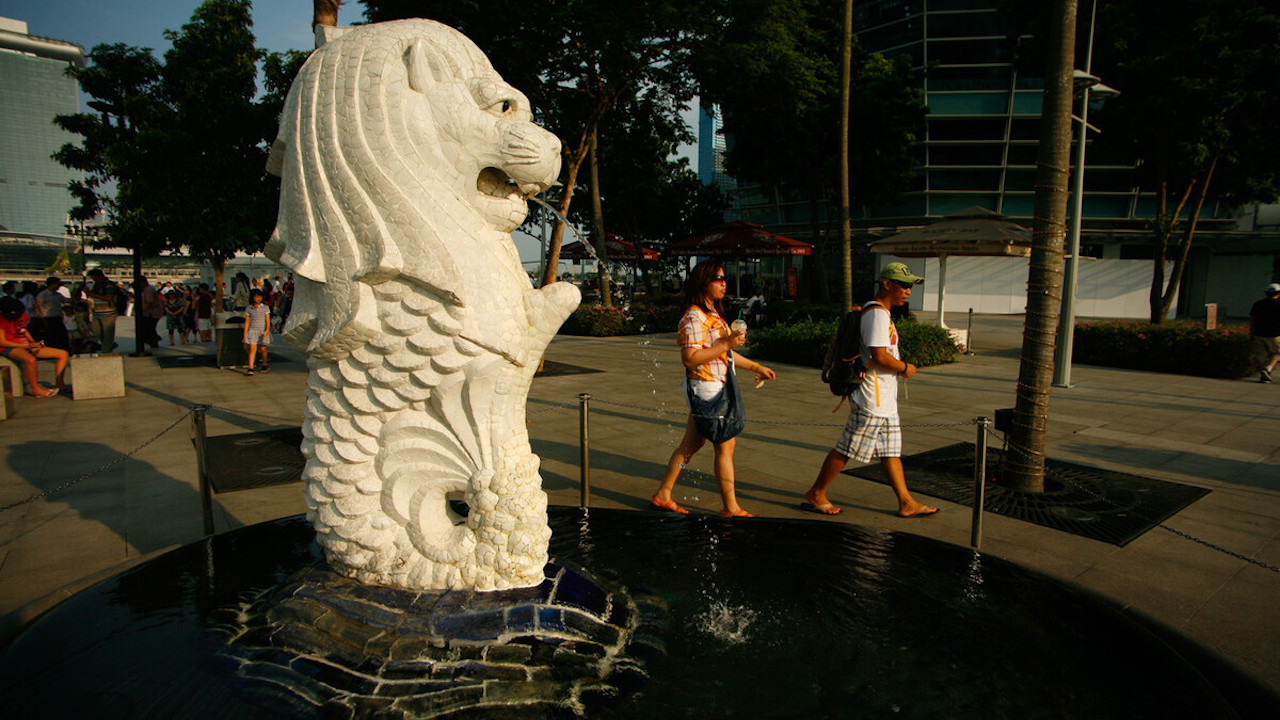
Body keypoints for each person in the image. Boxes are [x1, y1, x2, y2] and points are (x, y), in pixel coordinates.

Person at [801, 262, 939, 518]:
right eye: (904, 285)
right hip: (871, 397)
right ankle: (816, 493)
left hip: (884, 398)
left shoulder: (882, 313)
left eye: (910, 286)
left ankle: (906, 502)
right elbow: (879, 355)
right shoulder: (877, 314)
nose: (908, 291)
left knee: (890, 451)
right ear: (887, 284)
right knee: (848, 447)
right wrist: (905, 367)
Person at [650, 260, 776, 517]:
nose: (723, 282)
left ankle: (664, 494)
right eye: (717, 278)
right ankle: (731, 507)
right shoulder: (694, 317)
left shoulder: (713, 315)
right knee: (725, 445)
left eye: (723, 277)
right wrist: (727, 343)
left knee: (690, 444)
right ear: (703, 283)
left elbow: (724, 355)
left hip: (714, 386)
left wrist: (754, 366)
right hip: (706, 388)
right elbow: (691, 358)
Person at [0, 296, 68, 397]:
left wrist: (32, 341)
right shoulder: (1, 320)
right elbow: (2, 342)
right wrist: (23, 345)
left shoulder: (22, 315)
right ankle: (35, 389)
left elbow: (24, 329)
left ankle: (60, 384)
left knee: (63, 354)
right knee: (30, 360)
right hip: (10, 347)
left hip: (25, 344)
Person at [85, 269, 123, 352]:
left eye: (93, 277)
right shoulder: (96, 285)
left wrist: (92, 294)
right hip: (97, 312)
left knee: (108, 333)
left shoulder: (109, 285)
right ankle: (108, 345)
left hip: (109, 312)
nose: (93, 279)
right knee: (97, 332)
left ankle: (106, 349)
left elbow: (109, 297)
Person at [1250, 282, 1280, 383]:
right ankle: (1268, 369)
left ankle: (1264, 375)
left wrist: (1251, 332)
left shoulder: (1258, 304)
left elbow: (1252, 319)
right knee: (1277, 354)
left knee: (1260, 356)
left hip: (1259, 334)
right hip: (1275, 334)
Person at [34, 277, 70, 351]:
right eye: (57, 284)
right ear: (52, 284)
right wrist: (41, 318)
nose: (58, 286)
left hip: (58, 318)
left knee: (62, 337)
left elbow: (67, 301)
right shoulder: (43, 294)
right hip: (48, 318)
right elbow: (37, 307)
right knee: (50, 337)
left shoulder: (58, 295)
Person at [242, 289, 271, 375]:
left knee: (263, 348)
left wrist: (267, 330)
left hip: (262, 331)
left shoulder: (265, 307)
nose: (259, 299)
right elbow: (247, 322)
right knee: (252, 349)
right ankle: (251, 367)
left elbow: (268, 320)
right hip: (252, 331)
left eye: (260, 297)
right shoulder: (249, 308)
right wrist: (245, 335)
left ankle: (265, 364)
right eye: (257, 297)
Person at [134, 276, 164, 354]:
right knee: (148, 329)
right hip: (148, 313)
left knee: (149, 329)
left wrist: (141, 311)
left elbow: (149, 302)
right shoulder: (144, 290)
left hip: (152, 313)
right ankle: (153, 343)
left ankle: (154, 342)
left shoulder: (149, 289)